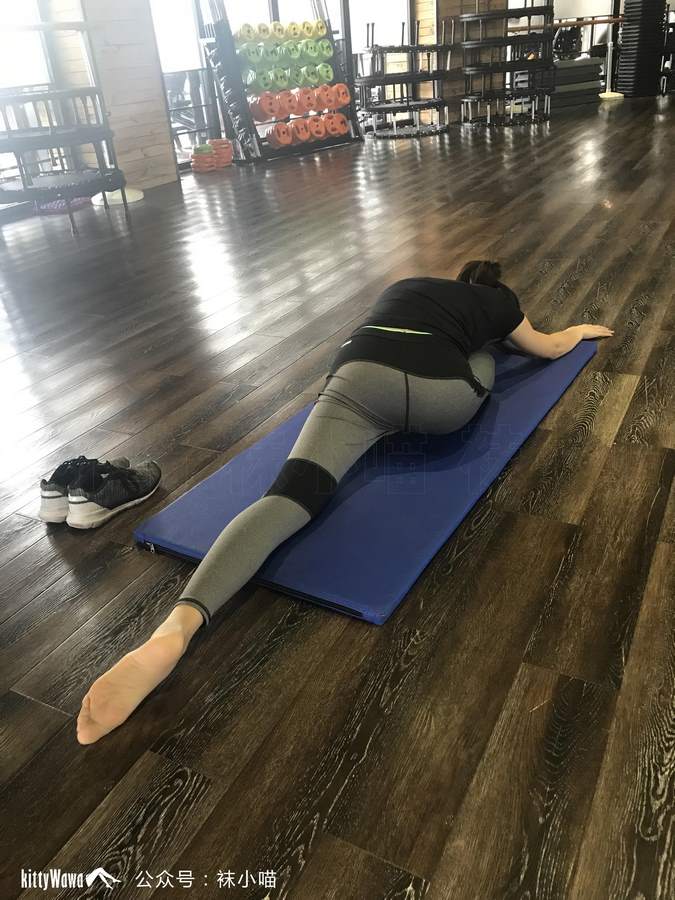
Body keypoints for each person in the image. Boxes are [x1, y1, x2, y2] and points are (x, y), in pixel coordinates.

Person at [76, 261, 613, 744]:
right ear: (495, 291)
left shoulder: (406, 286)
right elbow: (547, 347)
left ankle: (176, 628)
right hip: (436, 397)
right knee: (484, 357)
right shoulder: (500, 303)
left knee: (286, 498)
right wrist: (572, 332)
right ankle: (476, 356)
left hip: (353, 378)